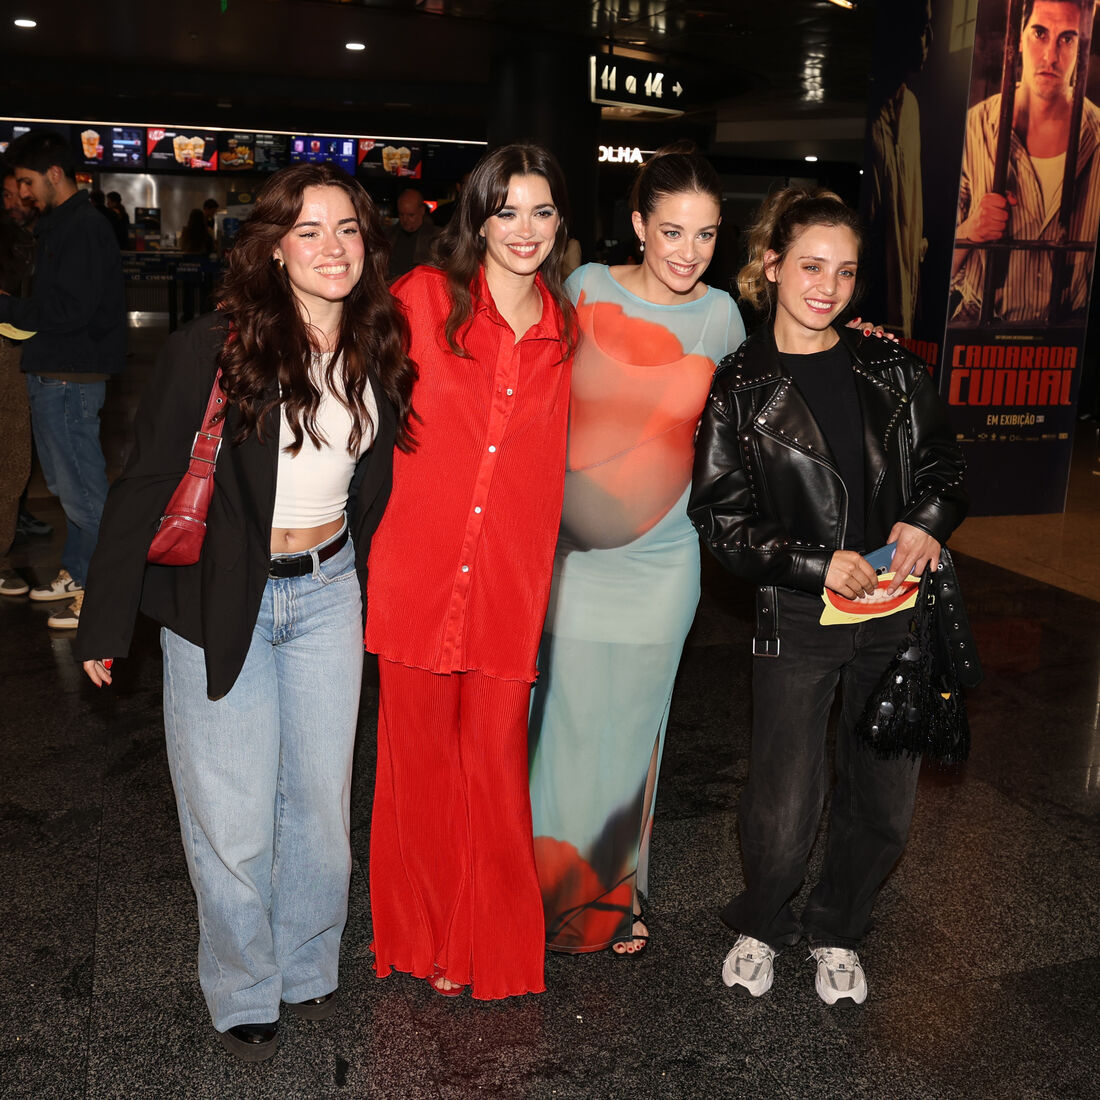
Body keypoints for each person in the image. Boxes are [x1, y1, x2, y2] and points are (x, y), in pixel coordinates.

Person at [73, 162, 415, 1060]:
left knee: (319, 805)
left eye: (348, 230)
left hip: (331, 591)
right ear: (272, 247)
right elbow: (145, 479)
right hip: (223, 595)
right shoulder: (214, 347)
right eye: (309, 231)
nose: (333, 248)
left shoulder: (380, 342)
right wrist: (106, 620)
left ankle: (304, 963)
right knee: (230, 815)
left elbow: (380, 482)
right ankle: (242, 981)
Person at [687, 187, 968, 1005]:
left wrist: (926, 520)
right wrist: (816, 563)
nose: (828, 286)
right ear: (771, 266)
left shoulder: (891, 366)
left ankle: (839, 928)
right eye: (810, 266)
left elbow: (945, 466)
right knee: (784, 794)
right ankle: (761, 922)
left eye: (845, 272)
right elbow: (724, 521)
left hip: (896, 610)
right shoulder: (739, 385)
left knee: (885, 794)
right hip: (800, 611)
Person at [365, 143, 577, 1000]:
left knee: (492, 767)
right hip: (416, 573)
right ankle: (426, 940)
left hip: (507, 586)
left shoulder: (569, 326)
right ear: (478, 217)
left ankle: (484, 942)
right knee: (415, 770)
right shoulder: (421, 299)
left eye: (542, 212)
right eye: (507, 211)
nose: (524, 230)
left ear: (561, 223)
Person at [527, 144, 746, 958]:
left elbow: (758, 415)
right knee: (567, 726)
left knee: (633, 732)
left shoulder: (724, 317)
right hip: (576, 560)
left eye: (706, 235)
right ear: (638, 227)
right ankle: (543, 890)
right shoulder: (584, 291)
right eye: (673, 232)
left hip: (664, 562)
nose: (688, 253)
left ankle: (613, 899)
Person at [0, 130, 124, 629]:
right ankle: (79, 570)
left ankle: (107, 591)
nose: (24, 193)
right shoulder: (64, 225)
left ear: (54, 174)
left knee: (81, 490)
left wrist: (7, 306)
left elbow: (71, 310)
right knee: (70, 485)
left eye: (28, 182)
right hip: (56, 370)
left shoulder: (84, 229)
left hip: (71, 375)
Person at [951, 0, 1100, 324]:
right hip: (979, 331)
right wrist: (971, 230)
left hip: (1071, 338)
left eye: (1067, 38)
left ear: (1082, 47)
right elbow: (927, 270)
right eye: (1039, 33)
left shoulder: (1098, 135)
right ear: (1018, 38)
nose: (1050, 56)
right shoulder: (974, 128)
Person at [866, 0, 933, 337]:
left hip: (903, 295)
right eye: (922, 30)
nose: (929, 40)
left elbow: (911, 208)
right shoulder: (871, 109)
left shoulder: (911, 108)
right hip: (871, 299)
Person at [384, 187, 441, 280]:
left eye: (411, 215)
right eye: (401, 214)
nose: (405, 220)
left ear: (422, 211)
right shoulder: (388, 235)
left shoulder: (437, 238)